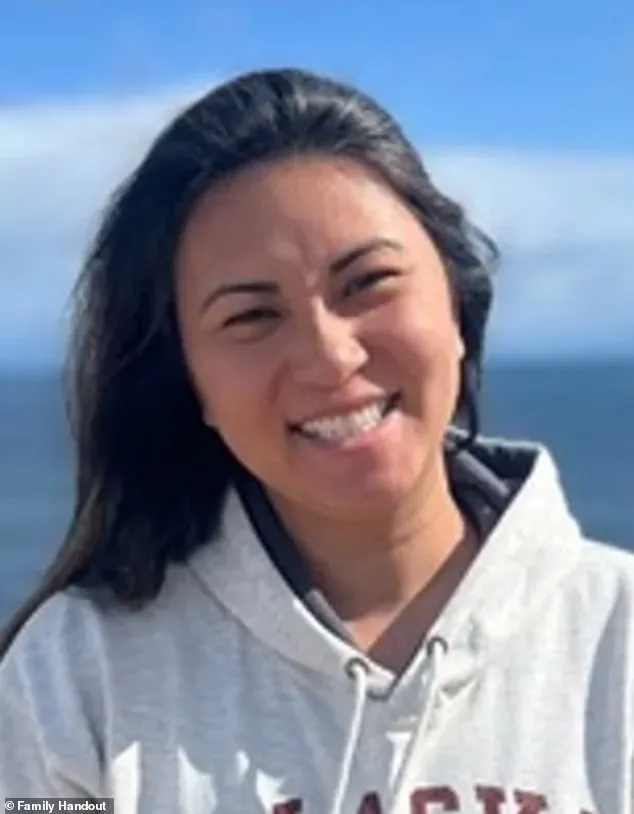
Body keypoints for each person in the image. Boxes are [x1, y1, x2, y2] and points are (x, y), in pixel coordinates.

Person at [0, 67, 632, 814]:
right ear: (191, 382)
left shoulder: (616, 637)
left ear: (457, 304)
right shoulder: (74, 683)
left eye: (366, 282)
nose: (330, 357)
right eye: (252, 317)